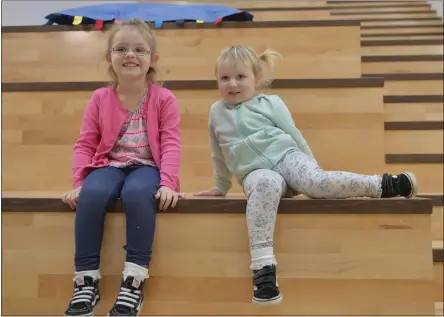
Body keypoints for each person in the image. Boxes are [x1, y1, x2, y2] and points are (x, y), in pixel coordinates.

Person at [194, 45, 418, 306]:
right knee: (265, 184)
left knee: (316, 183)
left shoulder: (271, 103)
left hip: (288, 157)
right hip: (257, 173)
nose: (232, 83)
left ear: (255, 79)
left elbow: (294, 133)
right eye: (224, 78)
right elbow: (217, 153)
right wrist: (219, 186)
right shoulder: (216, 112)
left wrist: (310, 166)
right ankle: (263, 270)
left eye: (240, 77)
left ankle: (383, 184)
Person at [61, 19, 183, 316]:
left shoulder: (164, 98)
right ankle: (86, 280)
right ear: (109, 59)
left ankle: (133, 282)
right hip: (109, 164)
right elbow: (85, 144)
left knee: (138, 193)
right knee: (91, 193)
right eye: (122, 48)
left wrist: (167, 181)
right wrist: (79, 181)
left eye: (140, 50)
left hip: (146, 167)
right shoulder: (100, 98)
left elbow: (170, 144)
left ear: (153, 60)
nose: (130, 55)